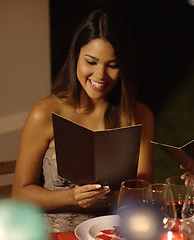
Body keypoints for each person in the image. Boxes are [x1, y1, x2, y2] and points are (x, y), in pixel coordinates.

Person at [12, 9, 155, 232]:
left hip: (112, 232)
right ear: (76, 56)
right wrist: (71, 196)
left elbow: (142, 192)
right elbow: (20, 194)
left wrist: (115, 196)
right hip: (56, 233)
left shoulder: (138, 115)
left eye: (112, 65)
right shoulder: (46, 112)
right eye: (91, 62)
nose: (100, 75)